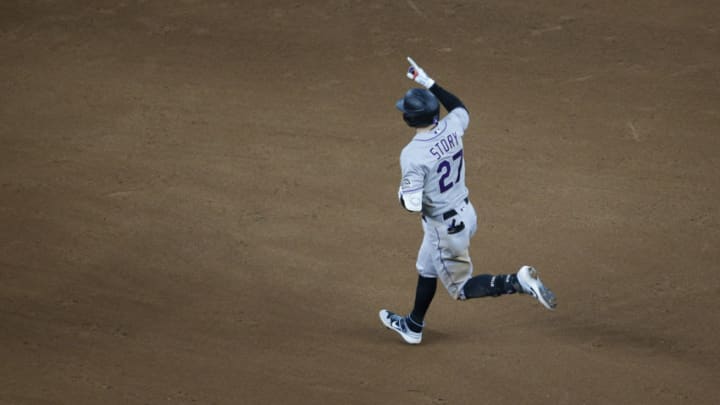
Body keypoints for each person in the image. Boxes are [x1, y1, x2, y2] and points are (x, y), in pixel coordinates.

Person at [379, 57, 557, 345]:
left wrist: (401, 195)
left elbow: (411, 205)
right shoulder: (452, 127)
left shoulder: (412, 154)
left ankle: (516, 281)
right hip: (466, 214)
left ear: (408, 119)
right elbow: (460, 107)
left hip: (444, 228)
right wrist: (427, 82)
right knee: (426, 267)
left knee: (461, 288)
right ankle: (413, 325)